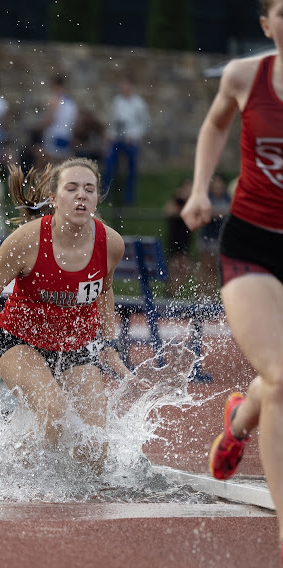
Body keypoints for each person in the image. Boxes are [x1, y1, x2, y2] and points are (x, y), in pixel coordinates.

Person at [0, 157, 129, 471]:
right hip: (18, 341)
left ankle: (69, 497)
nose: (81, 195)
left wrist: (109, 344)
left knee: (95, 447)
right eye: (71, 188)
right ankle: (12, 475)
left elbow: (105, 291)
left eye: (89, 189)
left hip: (75, 346)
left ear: (97, 198)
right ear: (54, 198)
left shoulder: (111, 243)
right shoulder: (26, 241)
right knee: (54, 412)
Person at [181, 1, 283, 561]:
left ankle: (239, 424)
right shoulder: (248, 76)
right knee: (282, 372)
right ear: (268, 24)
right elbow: (216, 122)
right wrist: (200, 190)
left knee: (279, 374)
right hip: (253, 243)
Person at [102, 76, 151, 205]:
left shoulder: (139, 104)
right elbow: (113, 121)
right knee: (109, 163)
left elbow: (144, 125)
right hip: (117, 138)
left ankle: (129, 197)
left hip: (131, 141)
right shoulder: (117, 101)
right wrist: (110, 134)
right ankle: (106, 193)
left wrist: (133, 136)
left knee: (131, 168)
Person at [38, 74, 78, 167]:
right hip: (66, 136)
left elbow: (49, 120)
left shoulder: (55, 100)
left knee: (43, 161)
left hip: (54, 136)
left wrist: (39, 127)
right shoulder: (72, 102)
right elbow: (75, 123)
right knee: (61, 166)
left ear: (54, 85)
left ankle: (37, 181)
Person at [163, 178, 194, 297]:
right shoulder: (177, 201)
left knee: (184, 269)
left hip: (184, 242)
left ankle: (173, 292)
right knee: (177, 268)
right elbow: (169, 211)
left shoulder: (190, 203)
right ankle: (171, 293)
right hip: (176, 242)